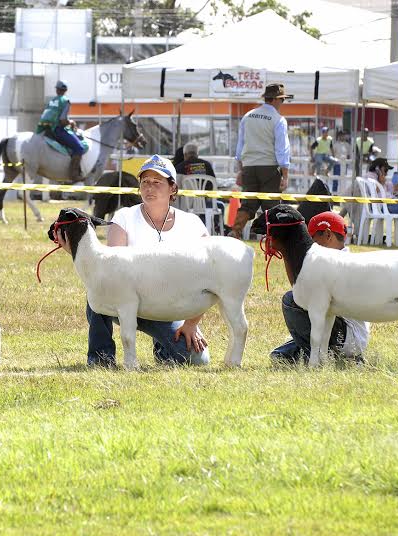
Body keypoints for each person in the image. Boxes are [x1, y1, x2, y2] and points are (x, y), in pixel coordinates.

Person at [57, 155, 211, 366]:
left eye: (157, 182)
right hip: (127, 300)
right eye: (145, 182)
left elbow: (209, 279)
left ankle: (163, 348)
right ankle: (101, 357)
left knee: (197, 359)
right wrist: (77, 252)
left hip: (171, 308)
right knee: (101, 286)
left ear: (173, 188)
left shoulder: (192, 224)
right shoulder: (124, 217)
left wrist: (191, 323)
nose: (149, 187)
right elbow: (110, 271)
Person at [270, 211, 370, 364]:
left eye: (313, 241)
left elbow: (299, 297)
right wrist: (285, 252)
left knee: (290, 300)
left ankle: (322, 356)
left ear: (328, 235)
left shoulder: (340, 262)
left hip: (347, 336)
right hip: (342, 332)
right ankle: (322, 354)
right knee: (278, 356)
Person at [230, 82, 292, 239]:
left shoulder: (248, 116)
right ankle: (273, 239)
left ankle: (235, 231)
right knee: (272, 206)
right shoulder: (278, 119)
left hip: (249, 167)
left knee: (248, 204)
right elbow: (282, 150)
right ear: (276, 99)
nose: (283, 102)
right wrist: (285, 175)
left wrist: (241, 170)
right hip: (269, 167)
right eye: (282, 99)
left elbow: (240, 146)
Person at [36, 80, 85, 181]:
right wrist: (71, 122)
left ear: (57, 90)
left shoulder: (52, 101)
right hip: (58, 131)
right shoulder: (65, 101)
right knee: (79, 147)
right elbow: (62, 120)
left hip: (48, 130)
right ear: (65, 90)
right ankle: (74, 174)